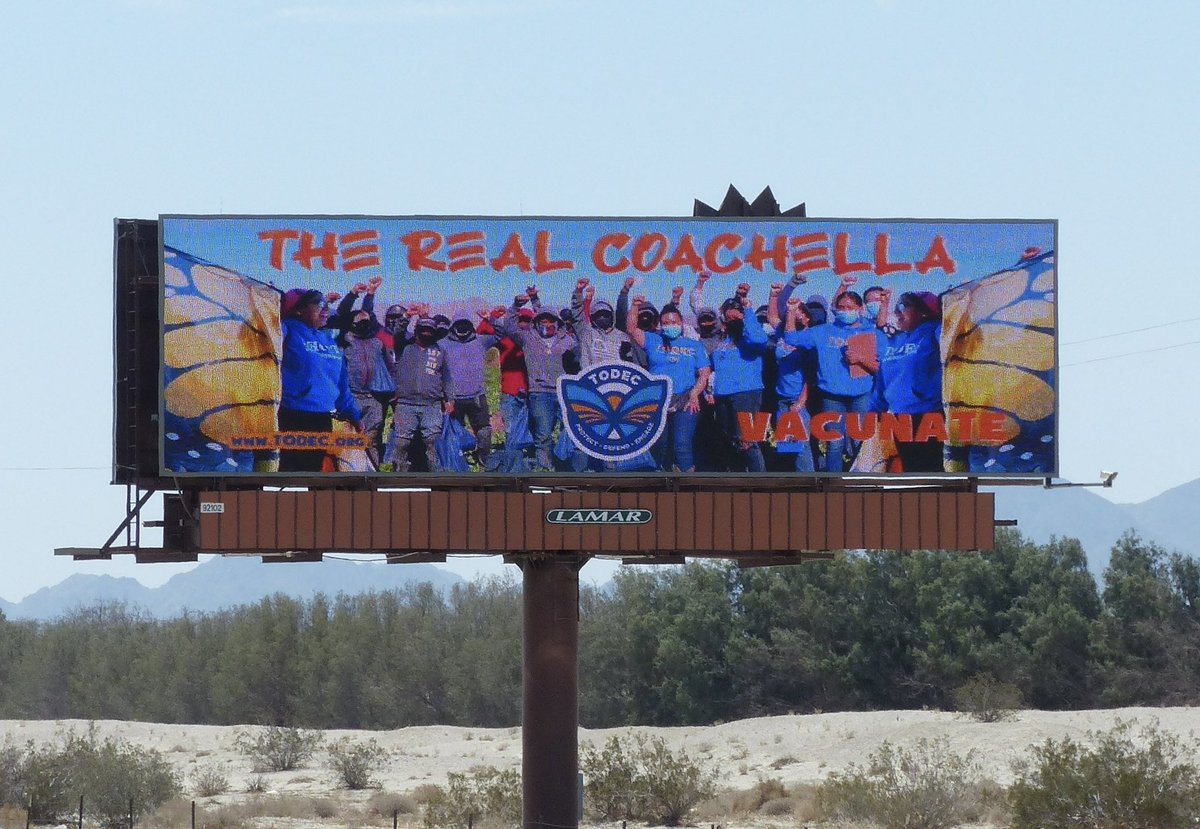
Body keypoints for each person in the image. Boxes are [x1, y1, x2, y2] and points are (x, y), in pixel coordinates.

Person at [782, 289, 884, 472]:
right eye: (841, 307)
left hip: (861, 396)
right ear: (835, 309)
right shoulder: (822, 331)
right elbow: (790, 338)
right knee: (834, 444)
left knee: (860, 441)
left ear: (860, 309)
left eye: (850, 307)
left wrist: (860, 359)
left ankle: (860, 479)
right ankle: (834, 483)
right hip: (831, 398)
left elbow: (881, 368)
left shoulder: (871, 332)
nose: (845, 311)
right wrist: (790, 311)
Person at [278, 288, 362, 472]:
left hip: (322, 418)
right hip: (291, 416)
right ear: (298, 309)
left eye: (326, 304)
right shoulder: (286, 330)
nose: (325, 309)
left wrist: (353, 413)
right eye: (318, 304)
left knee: (312, 472)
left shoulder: (328, 341)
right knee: (289, 473)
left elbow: (341, 382)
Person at [494, 289, 578, 471]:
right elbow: (509, 326)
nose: (546, 324)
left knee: (571, 431)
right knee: (543, 435)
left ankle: (567, 466)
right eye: (542, 321)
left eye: (550, 321)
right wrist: (516, 305)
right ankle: (545, 468)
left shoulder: (568, 341)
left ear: (558, 322)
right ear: (537, 322)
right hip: (539, 394)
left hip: (564, 393)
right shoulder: (528, 340)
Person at [626, 296, 711, 472]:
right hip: (658, 400)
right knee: (660, 444)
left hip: (686, 399)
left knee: (682, 444)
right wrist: (635, 306)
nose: (669, 325)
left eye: (673, 321)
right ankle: (663, 478)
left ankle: (687, 485)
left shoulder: (695, 345)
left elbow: (704, 373)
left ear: (681, 322)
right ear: (660, 324)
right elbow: (632, 329)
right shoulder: (653, 340)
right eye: (665, 322)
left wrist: (695, 393)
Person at [871, 289, 945, 472]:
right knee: (910, 468)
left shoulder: (935, 332)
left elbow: (956, 329)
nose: (897, 312)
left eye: (903, 306)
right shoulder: (895, 340)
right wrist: (874, 410)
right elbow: (883, 378)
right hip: (899, 419)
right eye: (896, 307)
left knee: (931, 471)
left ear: (924, 311)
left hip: (929, 417)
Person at [709, 291, 770, 472]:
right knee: (730, 440)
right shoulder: (721, 340)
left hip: (747, 394)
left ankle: (761, 483)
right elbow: (713, 368)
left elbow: (760, 338)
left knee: (748, 441)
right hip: (722, 395)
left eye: (736, 314)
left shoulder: (750, 337)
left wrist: (746, 312)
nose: (732, 318)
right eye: (729, 314)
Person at [384, 315, 452, 472]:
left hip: (432, 405)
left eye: (430, 330)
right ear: (416, 331)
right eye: (423, 329)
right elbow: (399, 332)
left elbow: (447, 377)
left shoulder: (440, 351)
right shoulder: (403, 347)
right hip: (406, 404)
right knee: (402, 442)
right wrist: (406, 317)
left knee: (433, 442)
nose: (426, 333)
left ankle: (436, 478)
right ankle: (399, 478)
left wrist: (450, 399)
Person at [442, 317, 502, 466]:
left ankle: (484, 461)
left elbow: (501, 335)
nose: (462, 328)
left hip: (477, 396)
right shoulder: (442, 344)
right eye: (459, 324)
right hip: (453, 398)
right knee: (455, 433)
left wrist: (491, 319)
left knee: (484, 432)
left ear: (470, 326)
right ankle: (458, 463)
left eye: (465, 325)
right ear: (453, 326)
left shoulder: (480, 341)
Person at [343, 308, 396, 468]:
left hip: (374, 398)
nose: (365, 325)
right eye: (361, 322)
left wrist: (394, 389)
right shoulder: (344, 342)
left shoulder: (377, 343)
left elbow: (391, 367)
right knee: (351, 439)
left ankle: (373, 473)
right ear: (352, 324)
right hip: (352, 397)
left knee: (372, 439)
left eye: (367, 322)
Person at [570, 277, 631, 368]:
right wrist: (578, 291)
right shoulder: (586, 333)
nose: (602, 317)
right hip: (591, 380)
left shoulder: (621, 335)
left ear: (611, 316)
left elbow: (622, 312)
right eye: (598, 314)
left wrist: (625, 291)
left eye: (606, 314)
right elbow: (577, 314)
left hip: (616, 380)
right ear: (593, 316)